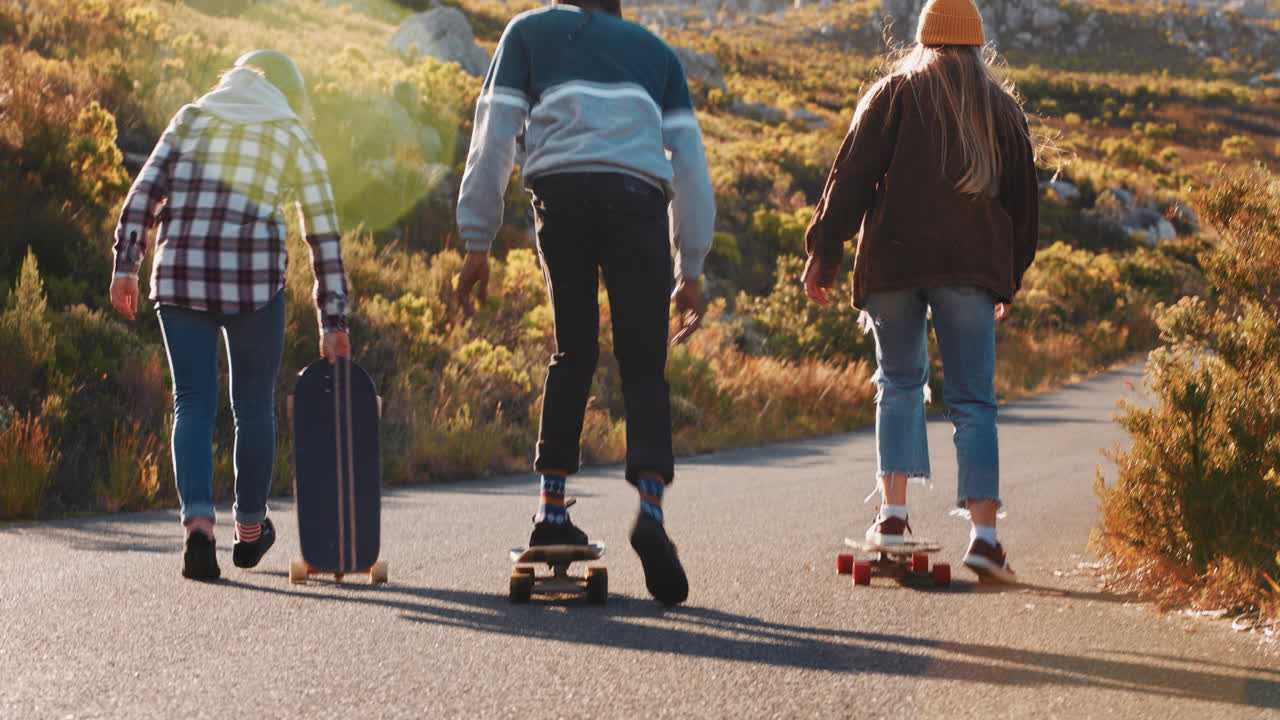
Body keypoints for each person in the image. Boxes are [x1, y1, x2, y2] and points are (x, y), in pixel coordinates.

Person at [454, 0, 715, 604]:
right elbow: (692, 168)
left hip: (563, 196)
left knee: (573, 352)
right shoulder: (656, 55)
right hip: (638, 199)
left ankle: (550, 511)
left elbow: (493, 136)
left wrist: (476, 240)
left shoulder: (529, 32)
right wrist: (691, 268)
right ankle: (650, 509)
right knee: (645, 363)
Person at [802, 0, 1038, 584]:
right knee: (973, 400)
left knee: (900, 383)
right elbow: (1023, 207)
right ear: (977, 46)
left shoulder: (893, 94)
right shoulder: (1000, 109)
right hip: (970, 268)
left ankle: (893, 516)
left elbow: (850, 176)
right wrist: (1010, 275)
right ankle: (984, 536)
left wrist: (824, 252)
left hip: (893, 264)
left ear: (924, 39)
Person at [110, 50, 351, 581]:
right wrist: (333, 320)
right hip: (254, 283)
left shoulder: (191, 116)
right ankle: (249, 529)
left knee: (193, 401)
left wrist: (126, 264)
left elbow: (145, 190)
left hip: (182, 275)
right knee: (253, 406)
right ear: (287, 91)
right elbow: (323, 230)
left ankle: (198, 529)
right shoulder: (290, 132)